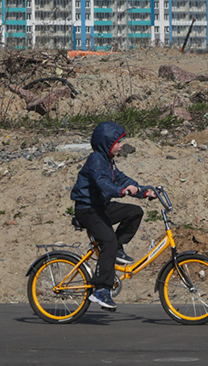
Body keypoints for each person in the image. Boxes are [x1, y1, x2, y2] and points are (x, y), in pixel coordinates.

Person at [69, 120, 156, 311]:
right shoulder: (96, 161)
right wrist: (121, 190)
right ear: (107, 143)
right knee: (108, 241)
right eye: (118, 142)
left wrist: (143, 191)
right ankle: (101, 289)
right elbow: (102, 183)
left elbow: (122, 179)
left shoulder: (108, 162)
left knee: (134, 212)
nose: (121, 145)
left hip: (100, 206)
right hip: (87, 209)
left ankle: (117, 249)